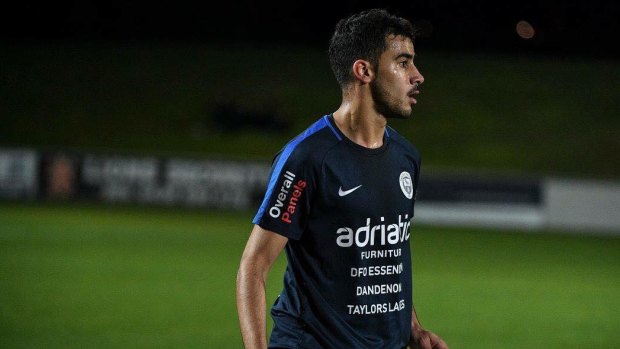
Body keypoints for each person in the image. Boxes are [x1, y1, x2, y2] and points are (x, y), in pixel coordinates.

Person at [236, 8, 448, 349]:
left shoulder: (406, 157)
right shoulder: (308, 157)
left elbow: (388, 263)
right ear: (363, 70)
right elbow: (254, 266)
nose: (418, 75)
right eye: (403, 62)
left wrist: (415, 329)